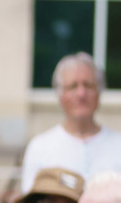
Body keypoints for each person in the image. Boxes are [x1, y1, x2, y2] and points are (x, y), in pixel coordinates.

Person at [19, 53, 121, 194]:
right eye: (72, 86)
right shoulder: (40, 148)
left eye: (88, 85)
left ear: (99, 92)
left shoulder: (118, 145)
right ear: (60, 95)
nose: (81, 94)